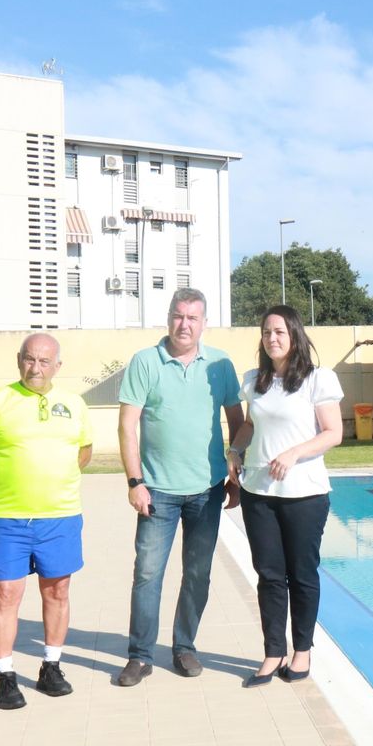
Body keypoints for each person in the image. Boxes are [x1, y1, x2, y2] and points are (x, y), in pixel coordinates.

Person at [116, 288, 243, 686]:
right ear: (168, 317)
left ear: (204, 323)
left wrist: (236, 477)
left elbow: (237, 424)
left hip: (207, 490)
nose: (184, 324)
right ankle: (139, 655)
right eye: (178, 315)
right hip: (158, 491)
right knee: (148, 573)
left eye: (193, 317)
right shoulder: (145, 362)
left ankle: (184, 647)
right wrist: (135, 481)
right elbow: (127, 426)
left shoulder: (220, 364)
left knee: (198, 574)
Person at [0, 333, 93, 709]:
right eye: (29, 359)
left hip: (60, 517)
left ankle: (51, 666)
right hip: (9, 518)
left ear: (57, 366)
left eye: (44, 361)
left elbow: (83, 452)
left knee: (57, 591)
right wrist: (12, 480)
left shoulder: (73, 404)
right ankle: (5, 675)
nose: (35, 368)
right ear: (18, 359)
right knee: (6, 593)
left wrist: (53, 481)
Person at [228, 306, 343, 687]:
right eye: (266, 332)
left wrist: (294, 452)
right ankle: (273, 652)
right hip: (259, 493)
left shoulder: (316, 380)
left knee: (302, 575)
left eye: (279, 331)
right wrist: (234, 451)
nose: (272, 338)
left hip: (305, 495)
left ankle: (302, 650)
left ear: (294, 334)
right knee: (270, 576)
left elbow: (333, 433)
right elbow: (248, 424)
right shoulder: (255, 380)